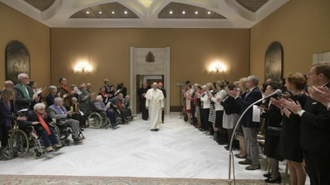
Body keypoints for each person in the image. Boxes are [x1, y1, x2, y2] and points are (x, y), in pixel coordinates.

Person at [283, 62, 330, 185]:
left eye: (310, 74)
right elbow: (304, 115)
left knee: (322, 179)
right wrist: (296, 111)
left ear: (321, 75)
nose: (308, 77)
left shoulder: (327, 93)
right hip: (308, 144)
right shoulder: (314, 92)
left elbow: (323, 121)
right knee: (314, 178)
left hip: (320, 145)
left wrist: (299, 111)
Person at [271, 72, 307, 185]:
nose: (285, 85)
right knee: (290, 161)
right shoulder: (292, 96)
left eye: (287, 82)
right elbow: (285, 116)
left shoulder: (301, 97)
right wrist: (280, 107)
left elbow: (295, 118)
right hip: (287, 130)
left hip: (295, 132)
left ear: (292, 84)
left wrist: (282, 106)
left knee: (297, 163)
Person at [227, 75, 262, 170]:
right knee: (248, 140)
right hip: (246, 118)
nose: (246, 83)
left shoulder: (256, 92)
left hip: (251, 119)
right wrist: (236, 97)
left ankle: (255, 163)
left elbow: (248, 105)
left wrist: (238, 98)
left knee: (252, 141)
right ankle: (249, 158)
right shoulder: (250, 92)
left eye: (247, 82)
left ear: (252, 83)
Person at [260, 82, 283, 183]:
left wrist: (265, 112)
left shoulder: (278, 100)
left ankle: (276, 175)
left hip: (276, 130)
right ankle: (273, 171)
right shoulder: (270, 100)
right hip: (269, 128)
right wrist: (264, 112)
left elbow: (277, 116)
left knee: (273, 152)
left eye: (268, 89)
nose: (266, 91)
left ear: (273, 91)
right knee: (269, 152)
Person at [212, 80, 228, 144]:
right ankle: (220, 137)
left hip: (221, 109)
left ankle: (223, 139)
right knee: (219, 125)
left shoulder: (222, 92)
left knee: (221, 125)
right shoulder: (219, 92)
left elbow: (218, 100)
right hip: (217, 109)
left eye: (216, 85)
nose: (216, 86)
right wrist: (214, 98)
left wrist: (212, 98)